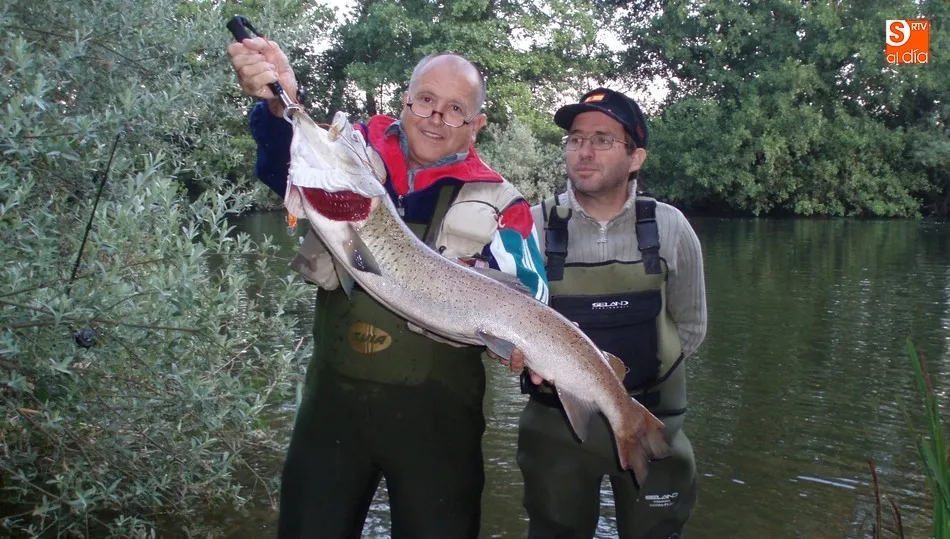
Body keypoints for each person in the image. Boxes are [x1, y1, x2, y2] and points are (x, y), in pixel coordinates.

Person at [227, 38, 549, 539]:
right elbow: (283, 156)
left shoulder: (504, 205)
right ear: (406, 99)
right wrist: (277, 102)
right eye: (426, 99)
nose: (436, 117)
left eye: (456, 109)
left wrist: (535, 357)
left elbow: (533, 300)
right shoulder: (353, 154)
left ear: (476, 124)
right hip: (331, 412)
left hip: (438, 424)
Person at [507, 88, 707, 539]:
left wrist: (639, 384)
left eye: (602, 139)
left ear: (636, 157)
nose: (585, 151)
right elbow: (507, 321)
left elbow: (691, 328)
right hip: (554, 429)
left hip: (653, 420)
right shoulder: (530, 227)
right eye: (576, 139)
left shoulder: (671, 228)